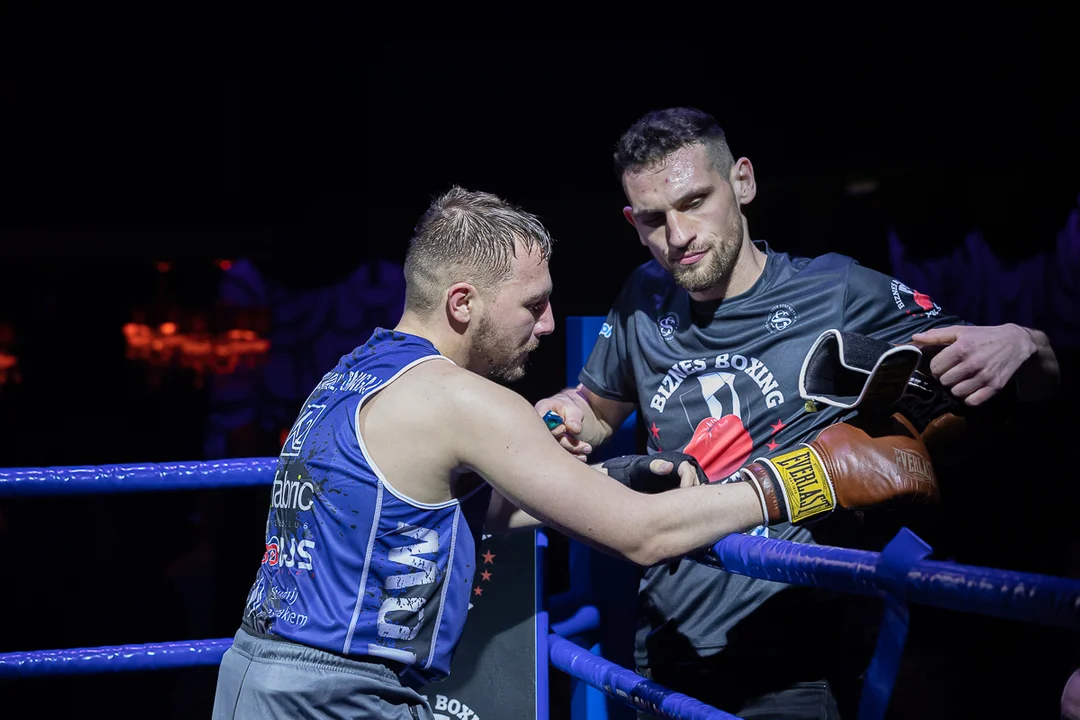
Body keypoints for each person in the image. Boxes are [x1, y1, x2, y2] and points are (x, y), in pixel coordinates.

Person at [210, 185, 940, 720]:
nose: (552, 325)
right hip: (340, 698)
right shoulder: (461, 398)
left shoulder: (352, 373)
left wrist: (609, 479)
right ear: (463, 303)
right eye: (532, 305)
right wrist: (812, 476)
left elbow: (448, 516)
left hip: (256, 680)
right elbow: (642, 537)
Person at [535, 107, 1061, 719]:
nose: (677, 235)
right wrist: (569, 411)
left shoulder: (836, 289)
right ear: (632, 222)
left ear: (743, 182)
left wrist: (1027, 342)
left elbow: (1018, 378)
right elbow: (598, 408)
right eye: (653, 219)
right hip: (666, 639)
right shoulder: (642, 295)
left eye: (695, 201)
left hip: (793, 651)